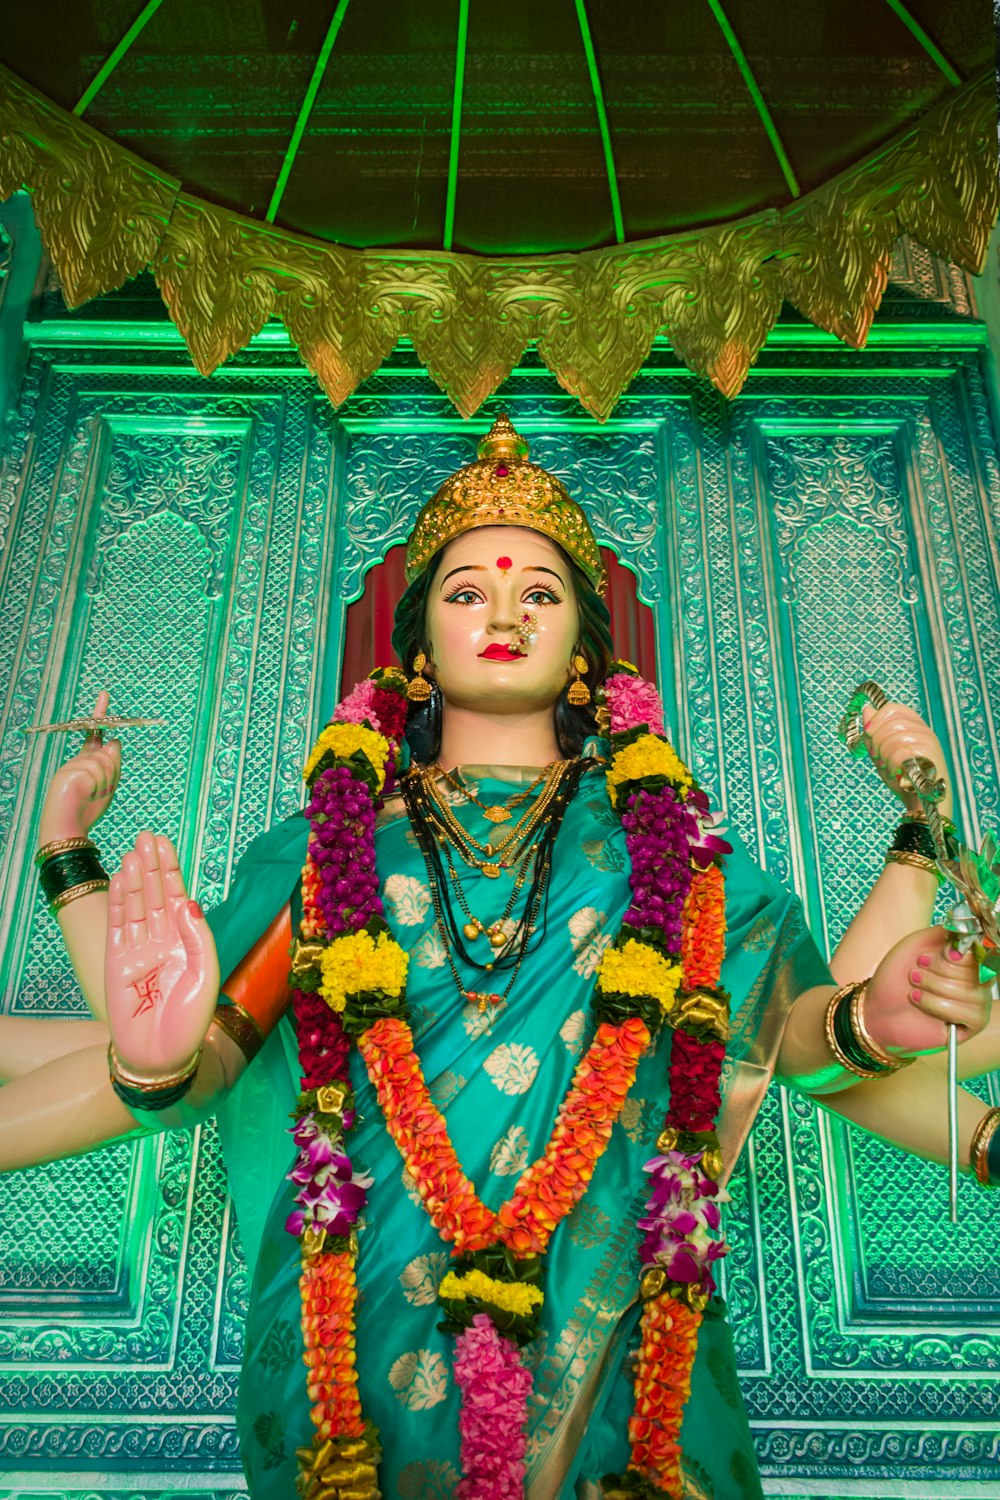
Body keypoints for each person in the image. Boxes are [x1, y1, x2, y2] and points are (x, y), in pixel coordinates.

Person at [1, 414, 996, 1500]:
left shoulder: (676, 849)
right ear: (419, 640)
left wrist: (868, 1021)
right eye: (468, 591)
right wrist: (154, 1057)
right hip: (363, 1304)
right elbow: (219, 1057)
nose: (506, 616)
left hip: (616, 1302)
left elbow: (780, 1032)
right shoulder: (327, 850)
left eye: (540, 595)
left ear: (585, 647)